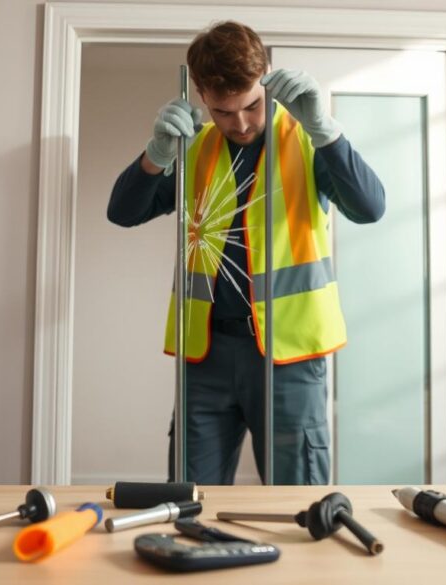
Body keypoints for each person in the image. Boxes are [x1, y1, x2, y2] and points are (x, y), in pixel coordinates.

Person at [108, 21, 384, 485]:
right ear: (201, 94)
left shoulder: (306, 138)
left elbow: (370, 207)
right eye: (223, 111)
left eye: (252, 105)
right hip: (207, 355)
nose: (240, 124)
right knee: (188, 499)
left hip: (290, 354)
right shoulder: (193, 147)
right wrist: (157, 153)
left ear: (267, 77)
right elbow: (122, 212)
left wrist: (325, 128)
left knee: (298, 501)